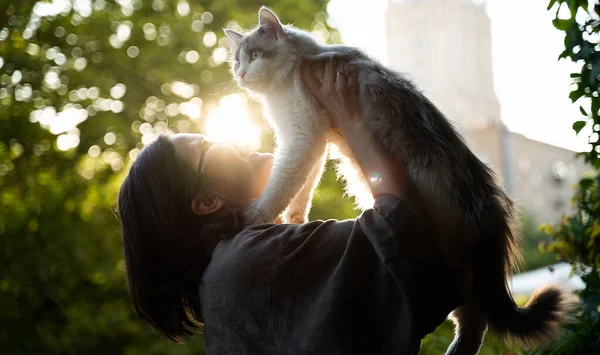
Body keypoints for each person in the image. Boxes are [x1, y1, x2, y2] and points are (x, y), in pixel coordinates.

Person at [118, 58, 462, 355]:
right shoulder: (251, 259)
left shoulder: (229, 269)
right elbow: (410, 239)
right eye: (209, 147)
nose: (232, 141)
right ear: (208, 202)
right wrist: (352, 121)